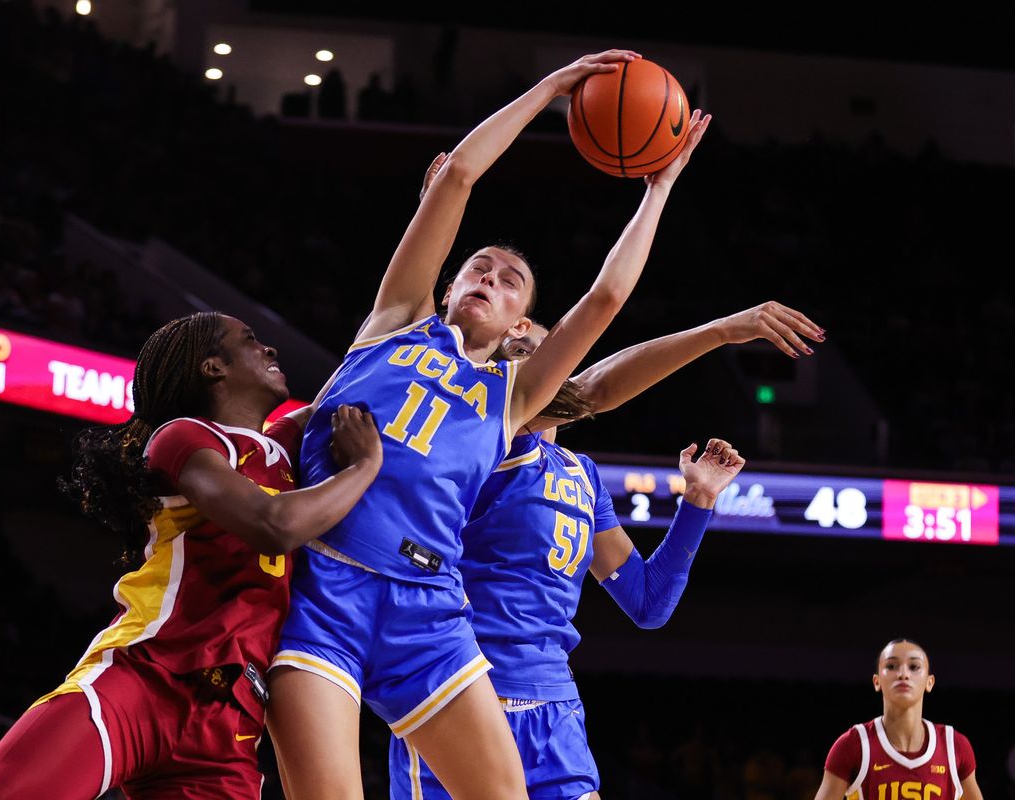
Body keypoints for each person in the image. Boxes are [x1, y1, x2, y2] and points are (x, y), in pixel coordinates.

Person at [267, 48, 712, 800]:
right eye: (478, 266)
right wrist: (546, 90)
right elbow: (460, 177)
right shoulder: (394, 323)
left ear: (520, 320)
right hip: (327, 589)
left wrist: (657, 190)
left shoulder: (513, 396)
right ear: (447, 286)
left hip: (427, 609)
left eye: (510, 281)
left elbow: (604, 300)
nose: (489, 278)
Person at [391, 291, 823, 798]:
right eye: (529, 354)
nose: (550, 367)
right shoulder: (477, 441)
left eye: (553, 355)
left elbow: (648, 602)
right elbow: (596, 387)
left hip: (553, 710)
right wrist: (720, 331)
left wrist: (698, 502)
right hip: (461, 693)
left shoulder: (581, 474)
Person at [0, 312, 383, 800]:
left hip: (229, 721)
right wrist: (364, 466)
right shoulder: (183, 437)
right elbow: (273, 526)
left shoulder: (284, 448)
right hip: (147, 675)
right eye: (251, 340)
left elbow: (369, 353)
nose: (270, 350)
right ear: (213, 367)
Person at [811, 639, 982, 800]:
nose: (903, 674)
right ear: (877, 681)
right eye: (891, 666)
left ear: (929, 682)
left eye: (914, 667)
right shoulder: (853, 745)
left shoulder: (954, 746)